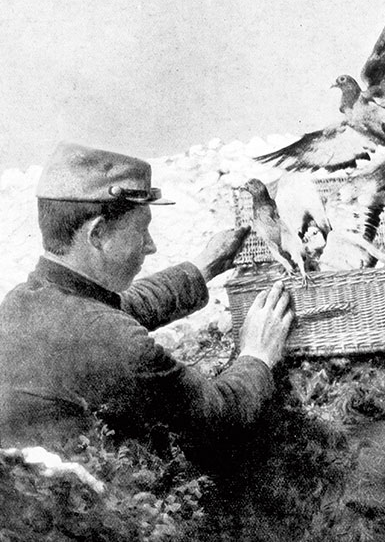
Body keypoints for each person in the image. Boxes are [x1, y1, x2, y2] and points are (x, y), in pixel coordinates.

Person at [0, 142, 294, 469]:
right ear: (97, 234)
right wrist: (258, 354)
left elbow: (121, 308)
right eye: (143, 230)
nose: (151, 246)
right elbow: (218, 416)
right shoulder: (109, 338)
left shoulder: (23, 302)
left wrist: (203, 267)